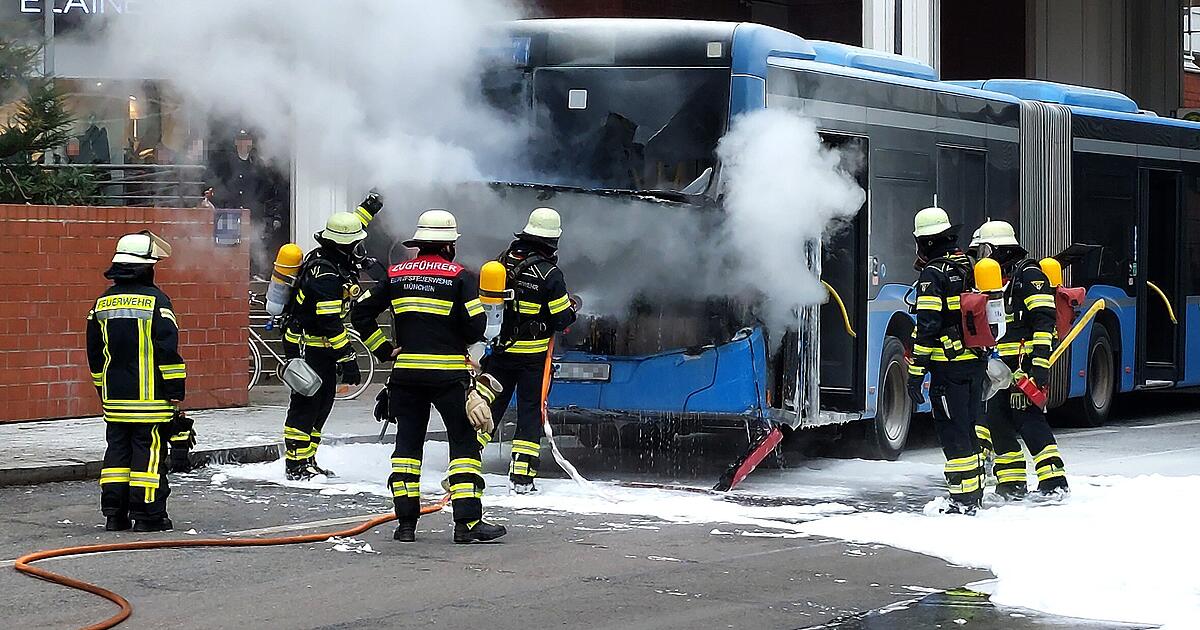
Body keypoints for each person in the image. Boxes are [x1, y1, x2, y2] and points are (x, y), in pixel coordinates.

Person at [352, 209, 507, 544]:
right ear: (449, 245)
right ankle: (467, 524)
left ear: (418, 244)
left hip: (406, 375)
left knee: (407, 447)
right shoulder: (460, 277)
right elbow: (477, 327)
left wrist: (382, 349)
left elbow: (360, 311)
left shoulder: (395, 274)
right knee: (464, 445)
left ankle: (406, 524)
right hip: (449, 375)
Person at [86, 231, 186, 532]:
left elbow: (95, 354)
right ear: (146, 266)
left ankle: (114, 515)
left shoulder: (102, 303)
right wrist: (175, 392)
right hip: (151, 401)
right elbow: (167, 352)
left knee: (117, 455)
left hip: (115, 399)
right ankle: (148, 517)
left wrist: (102, 388)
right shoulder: (157, 302)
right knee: (149, 455)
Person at [280, 195, 382, 481]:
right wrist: (348, 357)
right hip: (310, 347)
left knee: (323, 404)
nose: (359, 248)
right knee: (306, 404)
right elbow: (328, 322)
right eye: (355, 244)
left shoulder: (331, 256)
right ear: (343, 245)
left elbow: (353, 223)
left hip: (321, 348)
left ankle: (308, 459)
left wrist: (370, 206)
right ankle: (295, 464)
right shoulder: (326, 274)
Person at [481, 207, 579, 494]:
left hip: (498, 353)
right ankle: (522, 479)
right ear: (552, 241)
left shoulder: (501, 263)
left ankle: (465, 464)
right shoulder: (550, 274)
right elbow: (561, 319)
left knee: (489, 409)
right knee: (529, 414)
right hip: (532, 360)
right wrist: (572, 308)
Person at [974, 220, 1069, 501]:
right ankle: (1011, 483)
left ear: (998, 249)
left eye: (986, 250)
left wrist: (1039, 367)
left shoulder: (1030, 275)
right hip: (1004, 368)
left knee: (1028, 421)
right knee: (998, 421)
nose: (984, 258)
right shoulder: (1005, 278)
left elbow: (1044, 321)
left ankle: (1054, 481)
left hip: (1025, 365)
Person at [908, 207, 987, 515]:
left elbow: (927, 326)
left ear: (926, 242)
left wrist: (916, 373)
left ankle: (963, 501)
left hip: (949, 368)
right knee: (970, 428)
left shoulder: (933, 274)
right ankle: (975, 494)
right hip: (975, 363)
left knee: (953, 433)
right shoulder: (970, 265)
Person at [203, 129, 285, 277]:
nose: (243, 143)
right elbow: (215, 183)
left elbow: (269, 192)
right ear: (235, 142)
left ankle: (255, 275)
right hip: (230, 214)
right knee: (229, 250)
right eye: (240, 140)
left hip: (253, 214)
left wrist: (272, 216)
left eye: (247, 140)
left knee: (254, 250)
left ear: (251, 143)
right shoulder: (226, 164)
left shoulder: (260, 166)